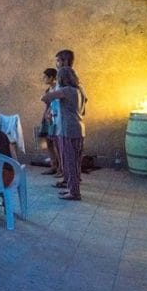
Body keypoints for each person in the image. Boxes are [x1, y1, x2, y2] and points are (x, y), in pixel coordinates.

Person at [43, 67, 86, 201]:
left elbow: (45, 97)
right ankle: (71, 188)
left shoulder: (66, 90)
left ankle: (74, 192)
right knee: (75, 162)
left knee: (69, 162)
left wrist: (56, 90)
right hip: (78, 128)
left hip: (68, 130)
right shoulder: (79, 90)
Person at [39, 68, 61, 176]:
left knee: (57, 143)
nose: (44, 79)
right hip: (48, 118)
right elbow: (47, 105)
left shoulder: (58, 88)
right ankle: (53, 166)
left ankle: (61, 168)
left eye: (45, 77)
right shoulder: (48, 90)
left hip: (56, 119)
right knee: (48, 142)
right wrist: (44, 117)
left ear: (52, 77)